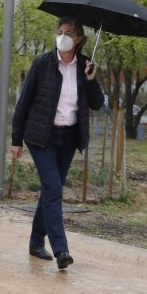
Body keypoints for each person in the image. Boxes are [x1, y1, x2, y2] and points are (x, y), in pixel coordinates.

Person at [11, 18, 104, 270]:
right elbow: (24, 103)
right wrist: (16, 139)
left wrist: (91, 79)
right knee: (53, 190)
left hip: (69, 138)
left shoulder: (86, 66)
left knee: (50, 190)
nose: (62, 37)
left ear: (79, 40)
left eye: (68, 33)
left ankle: (35, 242)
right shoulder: (42, 63)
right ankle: (61, 249)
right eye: (59, 32)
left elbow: (97, 103)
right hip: (41, 137)